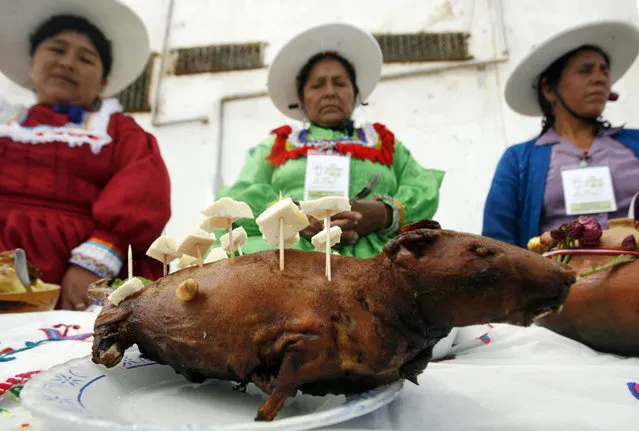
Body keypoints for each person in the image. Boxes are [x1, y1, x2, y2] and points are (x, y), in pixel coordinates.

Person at [214, 23, 444, 257]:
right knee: (229, 256)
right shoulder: (277, 144)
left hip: (376, 256)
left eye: (340, 83)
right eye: (317, 85)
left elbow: (423, 189)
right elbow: (236, 200)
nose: (330, 92)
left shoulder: (384, 142)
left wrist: (382, 213)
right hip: (291, 254)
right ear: (301, 98)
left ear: (355, 93)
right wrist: (294, 217)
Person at [0, 0, 171, 310]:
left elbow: (143, 193)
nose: (67, 63)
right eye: (56, 49)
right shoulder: (4, 125)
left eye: (85, 58)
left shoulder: (119, 131)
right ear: (32, 62)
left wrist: (92, 264)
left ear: (103, 82)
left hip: (80, 270)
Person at [482, 21, 639, 248]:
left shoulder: (635, 143)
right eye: (586, 70)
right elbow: (497, 241)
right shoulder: (518, 160)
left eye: (604, 69)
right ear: (548, 89)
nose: (600, 78)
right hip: (559, 280)